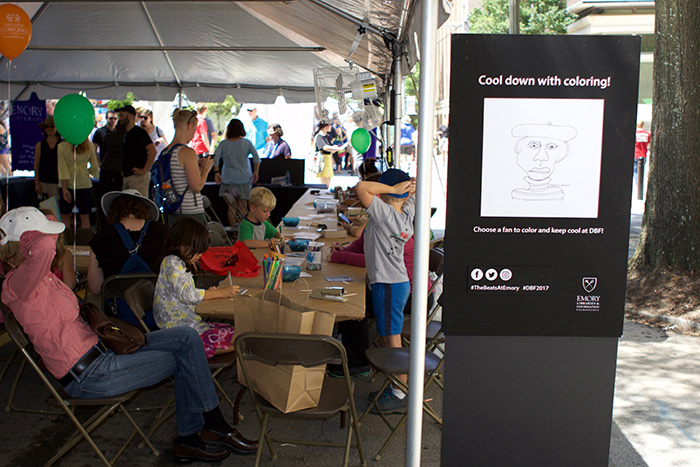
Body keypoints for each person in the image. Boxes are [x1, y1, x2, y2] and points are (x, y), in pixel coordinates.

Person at [0, 207, 258, 463]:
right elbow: (44, 249)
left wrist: (43, 223)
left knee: (186, 338)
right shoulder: (15, 285)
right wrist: (36, 228)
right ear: (19, 249)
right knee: (186, 357)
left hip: (107, 350)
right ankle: (203, 432)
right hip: (90, 375)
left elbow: (48, 247)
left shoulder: (44, 278)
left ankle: (202, 433)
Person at [355, 168, 416, 413]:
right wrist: (409, 188)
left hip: (388, 284)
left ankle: (399, 393)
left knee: (392, 340)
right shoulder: (406, 212)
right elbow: (414, 192)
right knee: (386, 334)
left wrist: (394, 189)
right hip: (396, 283)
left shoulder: (385, 214)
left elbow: (361, 188)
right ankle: (396, 385)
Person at [154, 217, 239, 358]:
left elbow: (185, 294)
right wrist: (222, 293)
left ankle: (197, 351)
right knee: (241, 339)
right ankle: (193, 353)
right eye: (197, 252)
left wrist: (210, 293)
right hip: (180, 330)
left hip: (188, 323)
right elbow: (187, 295)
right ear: (182, 243)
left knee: (240, 335)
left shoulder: (178, 262)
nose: (200, 256)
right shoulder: (172, 262)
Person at [87, 189, 168, 299]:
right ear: (144, 208)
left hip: (116, 312)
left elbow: (95, 288)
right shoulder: (163, 232)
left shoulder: (101, 238)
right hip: (158, 308)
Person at [164, 108, 214, 226]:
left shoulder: (165, 152)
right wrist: (205, 170)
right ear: (190, 125)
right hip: (189, 212)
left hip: (170, 211)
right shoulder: (187, 152)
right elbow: (196, 187)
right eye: (194, 129)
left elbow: (179, 178)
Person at [510, 123, 576, 201]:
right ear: (519, 148)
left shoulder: (557, 194)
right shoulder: (517, 194)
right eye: (533, 146)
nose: (541, 158)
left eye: (552, 147)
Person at [213, 118, 259, 226]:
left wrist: (216, 172)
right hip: (244, 179)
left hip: (228, 180)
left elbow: (215, 158)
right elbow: (256, 158)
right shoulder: (246, 143)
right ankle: (242, 230)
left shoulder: (224, 144)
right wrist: (256, 172)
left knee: (231, 207)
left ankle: (233, 231)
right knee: (243, 206)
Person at [57, 138, 99, 230]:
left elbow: (62, 167)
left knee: (65, 216)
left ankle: (66, 242)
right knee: (84, 216)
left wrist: (64, 189)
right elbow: (95, 166)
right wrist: (86, 172)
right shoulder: (89, 145)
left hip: (67, 186)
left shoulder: (62, 146)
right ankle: (85, 242)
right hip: (85, 184)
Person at [118, 105, 157, 197]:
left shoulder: (140, 133)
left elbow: (152, 151)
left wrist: (144, 169)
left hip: (138, 177)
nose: (120, 119)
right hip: (127, 176)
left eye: (122, 116)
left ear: (130, 117)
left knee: (139, 204)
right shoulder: (124, 134)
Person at [34, 116, 62, 200]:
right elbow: (36, 164)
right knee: (45, 207)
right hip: (43, 181)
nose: (49, 129)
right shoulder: (40, 145)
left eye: (52, 126)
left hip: (58, 181)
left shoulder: (63, 144)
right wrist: (37, 183)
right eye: (47, 127)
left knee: (58, 208)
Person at [314, 119, 346, 189]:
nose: (331, 127)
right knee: (325, 184)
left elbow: (331, 150)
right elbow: (324, 147)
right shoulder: (319, 136)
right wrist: (336, 148)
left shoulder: (327, 136)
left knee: (328, 182)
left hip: (328, 161)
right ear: (326, 126)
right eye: (330, 125)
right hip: (322, 161)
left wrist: (335, 148)